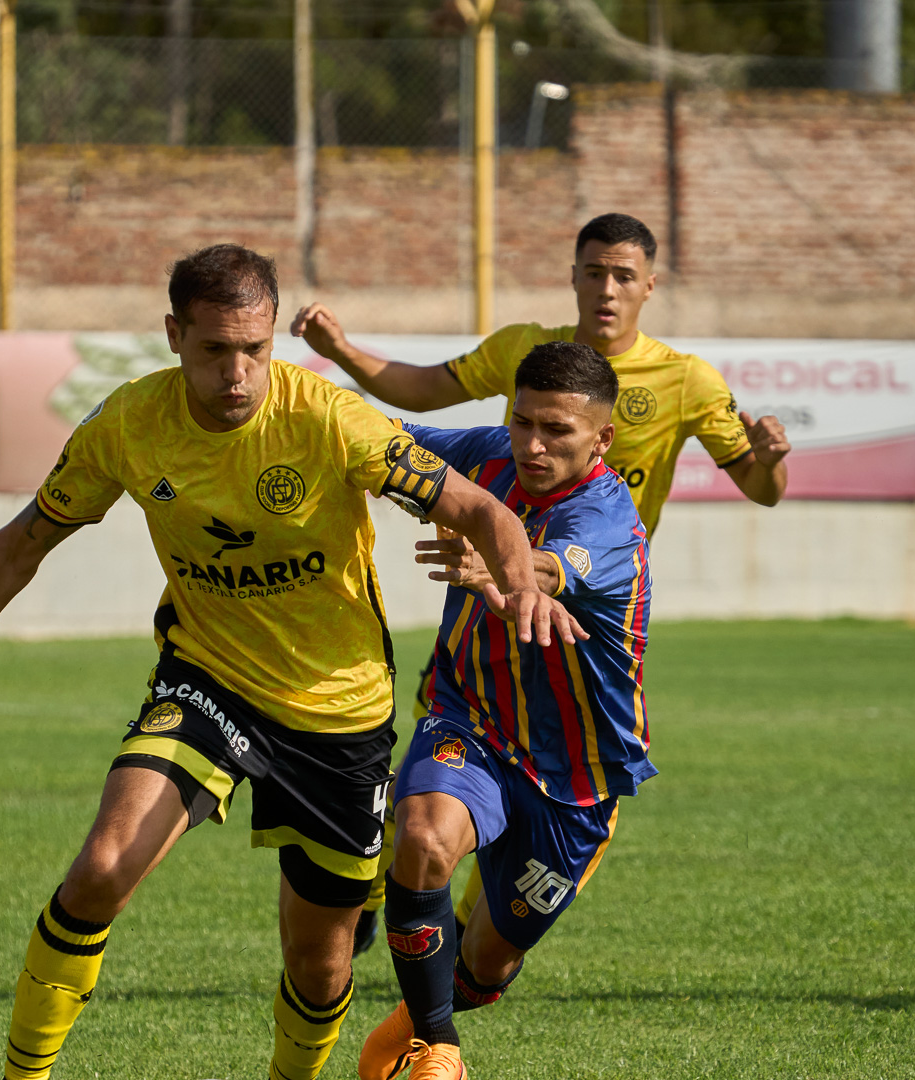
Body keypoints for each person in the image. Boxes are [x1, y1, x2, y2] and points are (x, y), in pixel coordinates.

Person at [0, 243, 583, 1080]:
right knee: (101, 867)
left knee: (320, 961)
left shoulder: (328, 421)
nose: (238, 374)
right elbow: (22, 545)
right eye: (215, 350)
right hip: (206, 680)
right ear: (173, 336)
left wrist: (518, 587)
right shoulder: (132, 424)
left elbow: (484, 510)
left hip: (338, 711)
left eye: (257, 350)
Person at [292, 211, 791, 945]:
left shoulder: (686, 379)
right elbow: (423, 393)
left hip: (587, 599)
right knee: (448, 752)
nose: (607, 289)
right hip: (493, 581)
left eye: (624, 276)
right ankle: (388, 887)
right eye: (594, 272)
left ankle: (460, 951)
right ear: (574, 277)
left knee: (504, 885)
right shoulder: (526, 349)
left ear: (650, 287)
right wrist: (342, 354)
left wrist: (769, 457)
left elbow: (760, 486)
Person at [354, 340, 655, 1080]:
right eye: (520, 422)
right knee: (420, 841)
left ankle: (427, 1007)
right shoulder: (488, 457)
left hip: (577, 776)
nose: (532, 444)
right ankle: (440, 1046)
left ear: (602, 440)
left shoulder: (610, 521)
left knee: (489, 963)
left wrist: (509, 576)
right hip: (472, 720)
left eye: (557, 429)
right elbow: (373, 438)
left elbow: (554, 569)